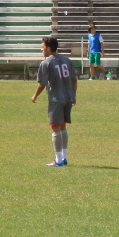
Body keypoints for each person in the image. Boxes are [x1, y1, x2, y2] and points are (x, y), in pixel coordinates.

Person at [31, 36, 77, 167]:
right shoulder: (67, 60)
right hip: (68, 97)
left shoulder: (46, 63)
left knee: (55, 128)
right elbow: (74, 79)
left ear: (48, 48)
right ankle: (64, 157)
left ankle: (58, 160)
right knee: (63, 127)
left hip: (56, 99)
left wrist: (34, 96)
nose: (41, 49)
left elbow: (42, 83)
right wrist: (74, 95)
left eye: (43, 47)